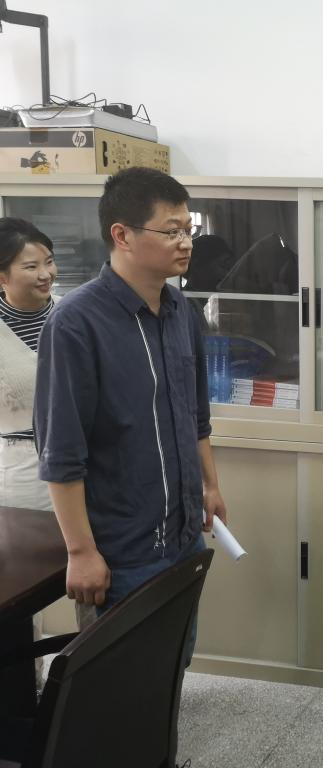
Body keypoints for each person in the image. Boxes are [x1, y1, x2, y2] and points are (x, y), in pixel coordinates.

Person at [34, 167, 228, 660]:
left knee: (171, 666)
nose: (186, 242)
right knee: (118, 681)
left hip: (183, 535)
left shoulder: (181, 310)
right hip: (121, 550)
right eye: (171, 230)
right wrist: (81, 552)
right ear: (121, 235)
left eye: (189, 229)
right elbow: (61, 453)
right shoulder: (76, 323)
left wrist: (210, 485)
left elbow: (196, 415)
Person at [0, 217, 59, 687]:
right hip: (19, 467)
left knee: (93, 573)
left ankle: (96, 686)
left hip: (83, 462)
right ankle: (26, 690)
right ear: (2, 275)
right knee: (23, 587)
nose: (45, 274)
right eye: (30, 265)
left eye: (49, 262)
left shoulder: (70, 315)